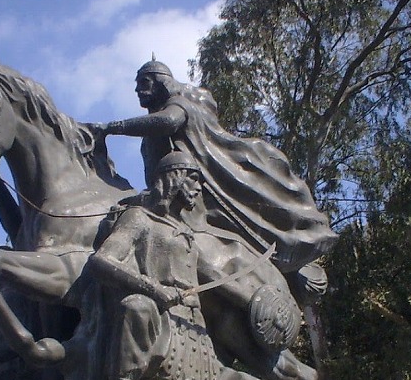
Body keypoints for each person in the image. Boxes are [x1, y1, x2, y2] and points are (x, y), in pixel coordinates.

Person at [87, 149, 264, 380]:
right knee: (135, 307)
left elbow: (213, 277)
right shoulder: (139, 218)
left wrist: (254, 303)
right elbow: (102, 260)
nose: (198, 190)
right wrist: (152, 288)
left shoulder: (185, 234)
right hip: (157, 317)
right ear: (174, 178)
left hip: (192, 326)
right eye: (194, 180)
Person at [95, 60, 338, 276]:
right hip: (167, 192)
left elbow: (169, 121)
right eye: (137, 84)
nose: (138, 90)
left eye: (144, 82)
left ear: (161, 83)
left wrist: (111, 127)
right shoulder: (149, 135)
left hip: (190, 191)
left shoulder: (178, 105)